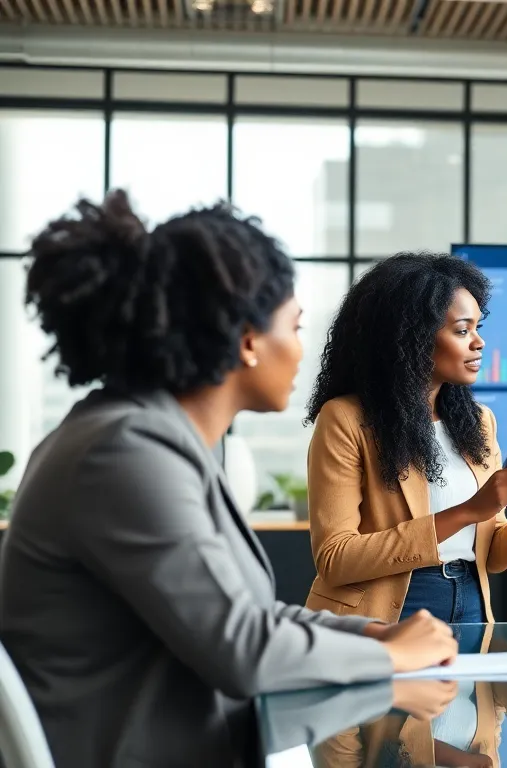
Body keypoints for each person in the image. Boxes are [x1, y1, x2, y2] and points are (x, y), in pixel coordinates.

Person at [0, 192, 459, 768]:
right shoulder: (124, 453)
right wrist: (392, 657)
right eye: (294, 327)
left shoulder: (151, 439)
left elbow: (245, 619)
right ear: (247, 341)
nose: (302, 351)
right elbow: (244, 649)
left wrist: (372, 635)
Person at [305, 254, 507, 636]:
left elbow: (489, 557)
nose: (479, 342)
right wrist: (468, 511)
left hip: (470, 601)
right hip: (388, 609)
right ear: (412, 337)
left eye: (478, 328)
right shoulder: (345, 419)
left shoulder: (478, 422)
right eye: (463, 331)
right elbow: (335, 559)